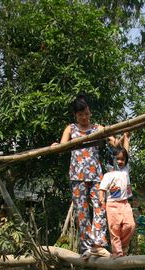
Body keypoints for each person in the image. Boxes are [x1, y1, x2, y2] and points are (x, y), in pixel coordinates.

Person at [52, 94, 112, 258]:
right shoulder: (71, 129)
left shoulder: (97, 129)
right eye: (80, 115)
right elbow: (63, 146)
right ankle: (86, 248)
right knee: (82, 212)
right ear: (75, 115)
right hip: (77, 175)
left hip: (96, 175)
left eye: (86, 113)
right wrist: (56, 145)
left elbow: (112, 141)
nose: (84, 117)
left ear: (90, 112)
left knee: (100, 206)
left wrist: (114, 136)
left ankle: (98, 244)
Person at [99, 133, 135, 257]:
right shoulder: (109, 172)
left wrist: (126, 137)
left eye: (122, 159)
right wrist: (101, 200)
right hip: (112, 204)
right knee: (114, 228)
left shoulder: (125, 169)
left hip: (125, 203)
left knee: (130, 225)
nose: (120, 161)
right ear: (113, 160)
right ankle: (117, 252)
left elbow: (126, 151)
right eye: (117, 159)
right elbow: (102, 188)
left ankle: (124, 246)